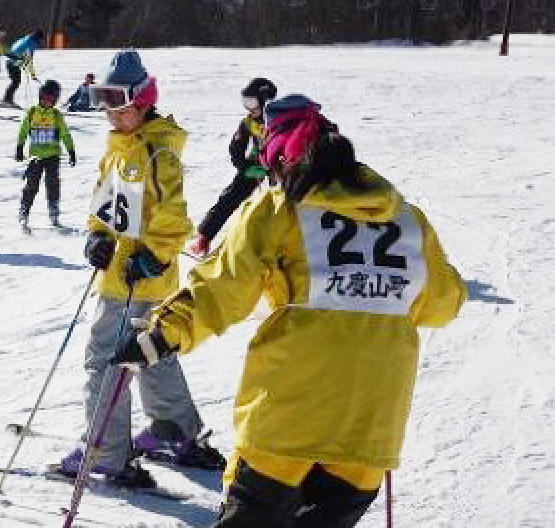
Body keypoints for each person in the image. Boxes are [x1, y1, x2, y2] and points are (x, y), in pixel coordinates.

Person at [112, 94, 466, 527]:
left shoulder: (279, 211)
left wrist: (159, 335)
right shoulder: (408, 220)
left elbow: (222, 289)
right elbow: (445, 302)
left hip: (285, 425)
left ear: (283, 159)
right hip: (369, 428)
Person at [57, 50, 224, 488]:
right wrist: (97, 237)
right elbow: (106, 208)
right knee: (151, 352)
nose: (110, 112)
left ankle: (105, 452)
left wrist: (151, 255)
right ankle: (176, 432)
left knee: (105, 359)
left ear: (143, 99)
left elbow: (174, 219)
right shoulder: (120, 149)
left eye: (119, 103)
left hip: (137, 278)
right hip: (122, 273)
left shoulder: (156, 154)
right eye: (103, 101)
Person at [186, 77, 277, 258]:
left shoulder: (281, 120)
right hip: (257, 163)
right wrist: (245, 168)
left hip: (279, 167)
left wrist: (274, 170)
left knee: (278, 202)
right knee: (230, 196)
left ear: (266, 101)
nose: (248, 108)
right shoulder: (249, 122)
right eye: (245, 102)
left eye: (251, 102)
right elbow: (235, 149)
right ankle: (204, 237)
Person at [15, 79, 76, 229]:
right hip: (36, 157)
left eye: (51, 99)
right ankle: (24, 212)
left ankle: (53, 212)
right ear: (40, 97)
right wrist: (19, 147)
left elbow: (65, 134)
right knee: (31, 185)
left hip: (53, 156)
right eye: (45, 98)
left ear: (55, 100)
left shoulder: (56, 115)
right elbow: (23, 130)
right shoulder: (32, 113)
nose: (48, 101)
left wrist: (71, 150)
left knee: (53, 185)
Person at [0, 29, 45, 109]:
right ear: (37, 38)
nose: (41, 42)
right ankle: (6, 100)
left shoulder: (25, 38)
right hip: (13, 62)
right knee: (16, 81)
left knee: (15, 81)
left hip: (11, 61)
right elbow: (29, 60)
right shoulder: (31, 44)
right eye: (41, 40)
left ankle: (7, 100)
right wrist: (32, 73)